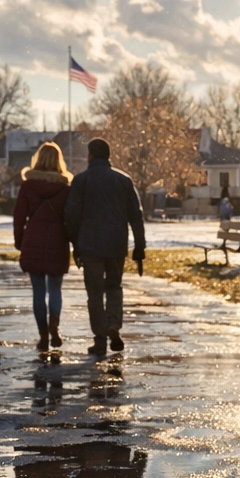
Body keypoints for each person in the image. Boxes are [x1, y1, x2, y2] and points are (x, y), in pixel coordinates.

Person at [63, 137, 146, 355]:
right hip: (117, 244)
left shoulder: (81, 182)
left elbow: (71, 216)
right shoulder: (124, 180)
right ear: (108, 156)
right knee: (114, 287)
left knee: (95, 292)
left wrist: (75, 244)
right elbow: (136, 216)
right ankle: (113, 325)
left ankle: (100, 338)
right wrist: (139, 246)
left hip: (90, 246)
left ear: (90, 155)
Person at [14, 142, 72, 351]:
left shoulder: (28, 186)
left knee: (38, 291)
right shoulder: (65, 188)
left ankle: (43, 335)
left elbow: (19, 217)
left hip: (34, 239)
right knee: (55, 288)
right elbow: (71, 218)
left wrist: (19, 240)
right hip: (57, 240)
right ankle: (54, 325)